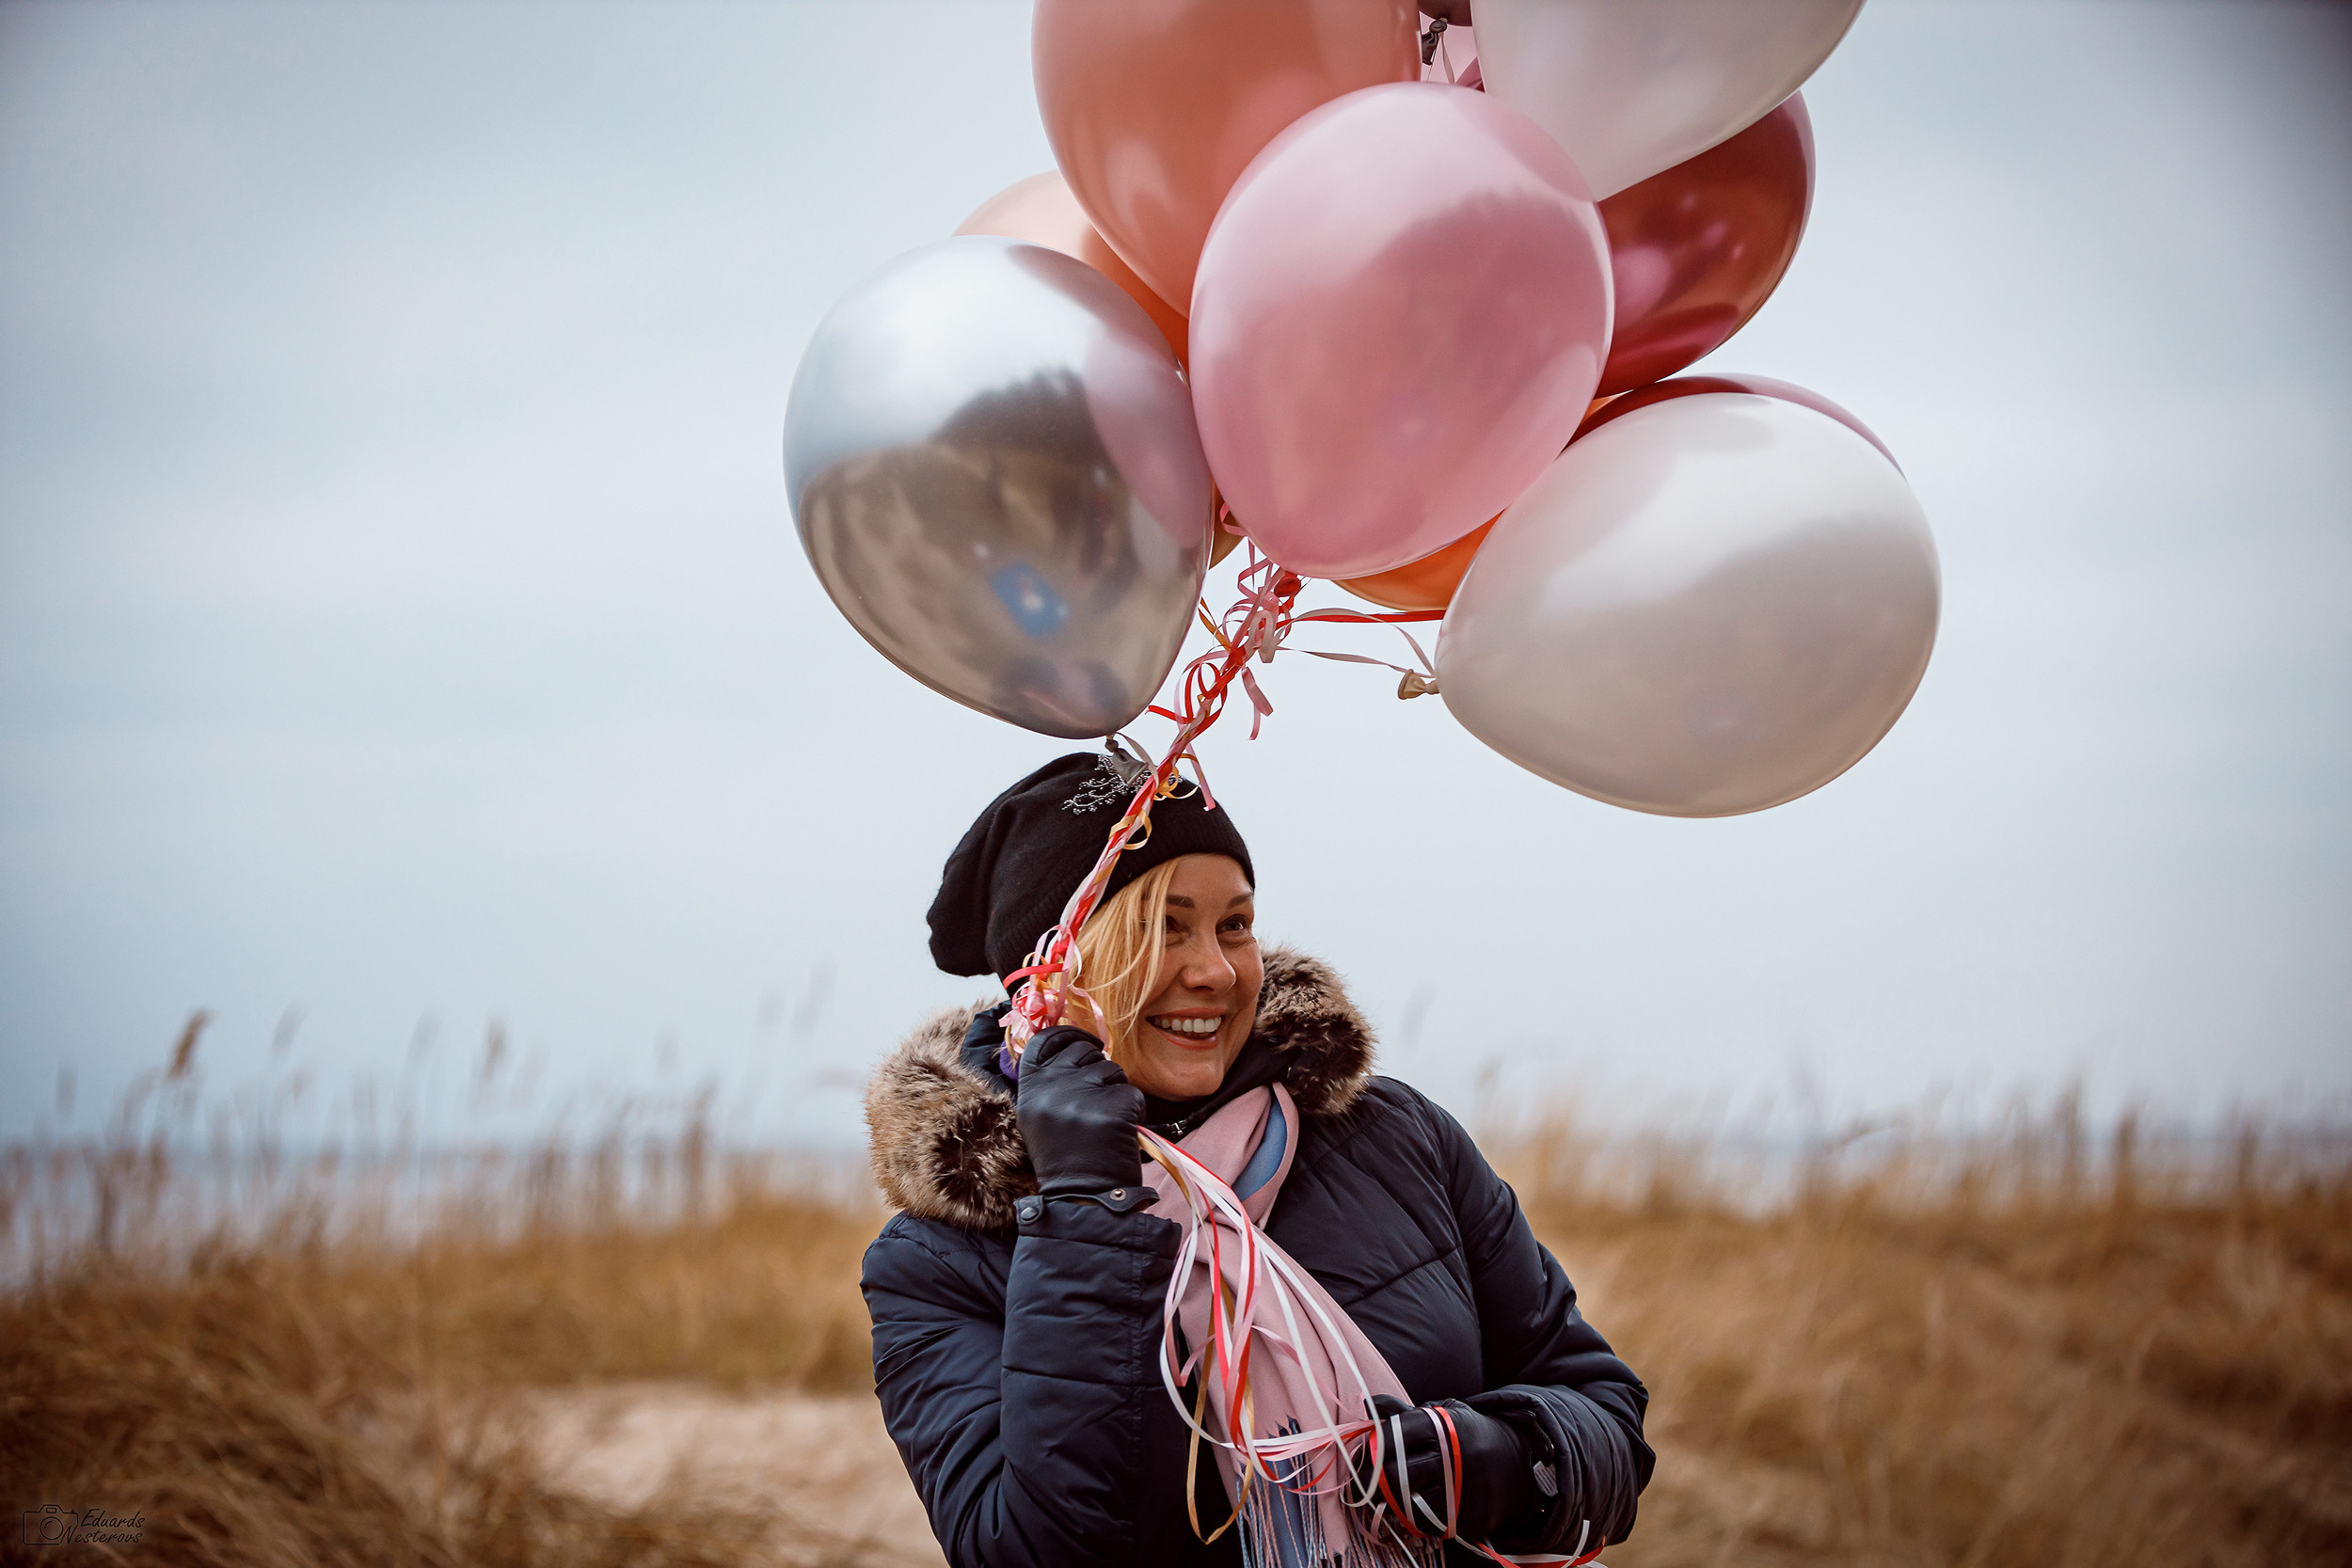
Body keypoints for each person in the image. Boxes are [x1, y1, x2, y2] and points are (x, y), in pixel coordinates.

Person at [861, 751, 1652, 1568]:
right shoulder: (934, 1264)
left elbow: (1605, 1413)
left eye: (1233, 924)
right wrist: (1084, 1207)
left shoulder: (1396, 1137)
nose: (1213, 970)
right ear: (1047, 980)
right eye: (1161, 928)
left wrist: (1518, 1461)